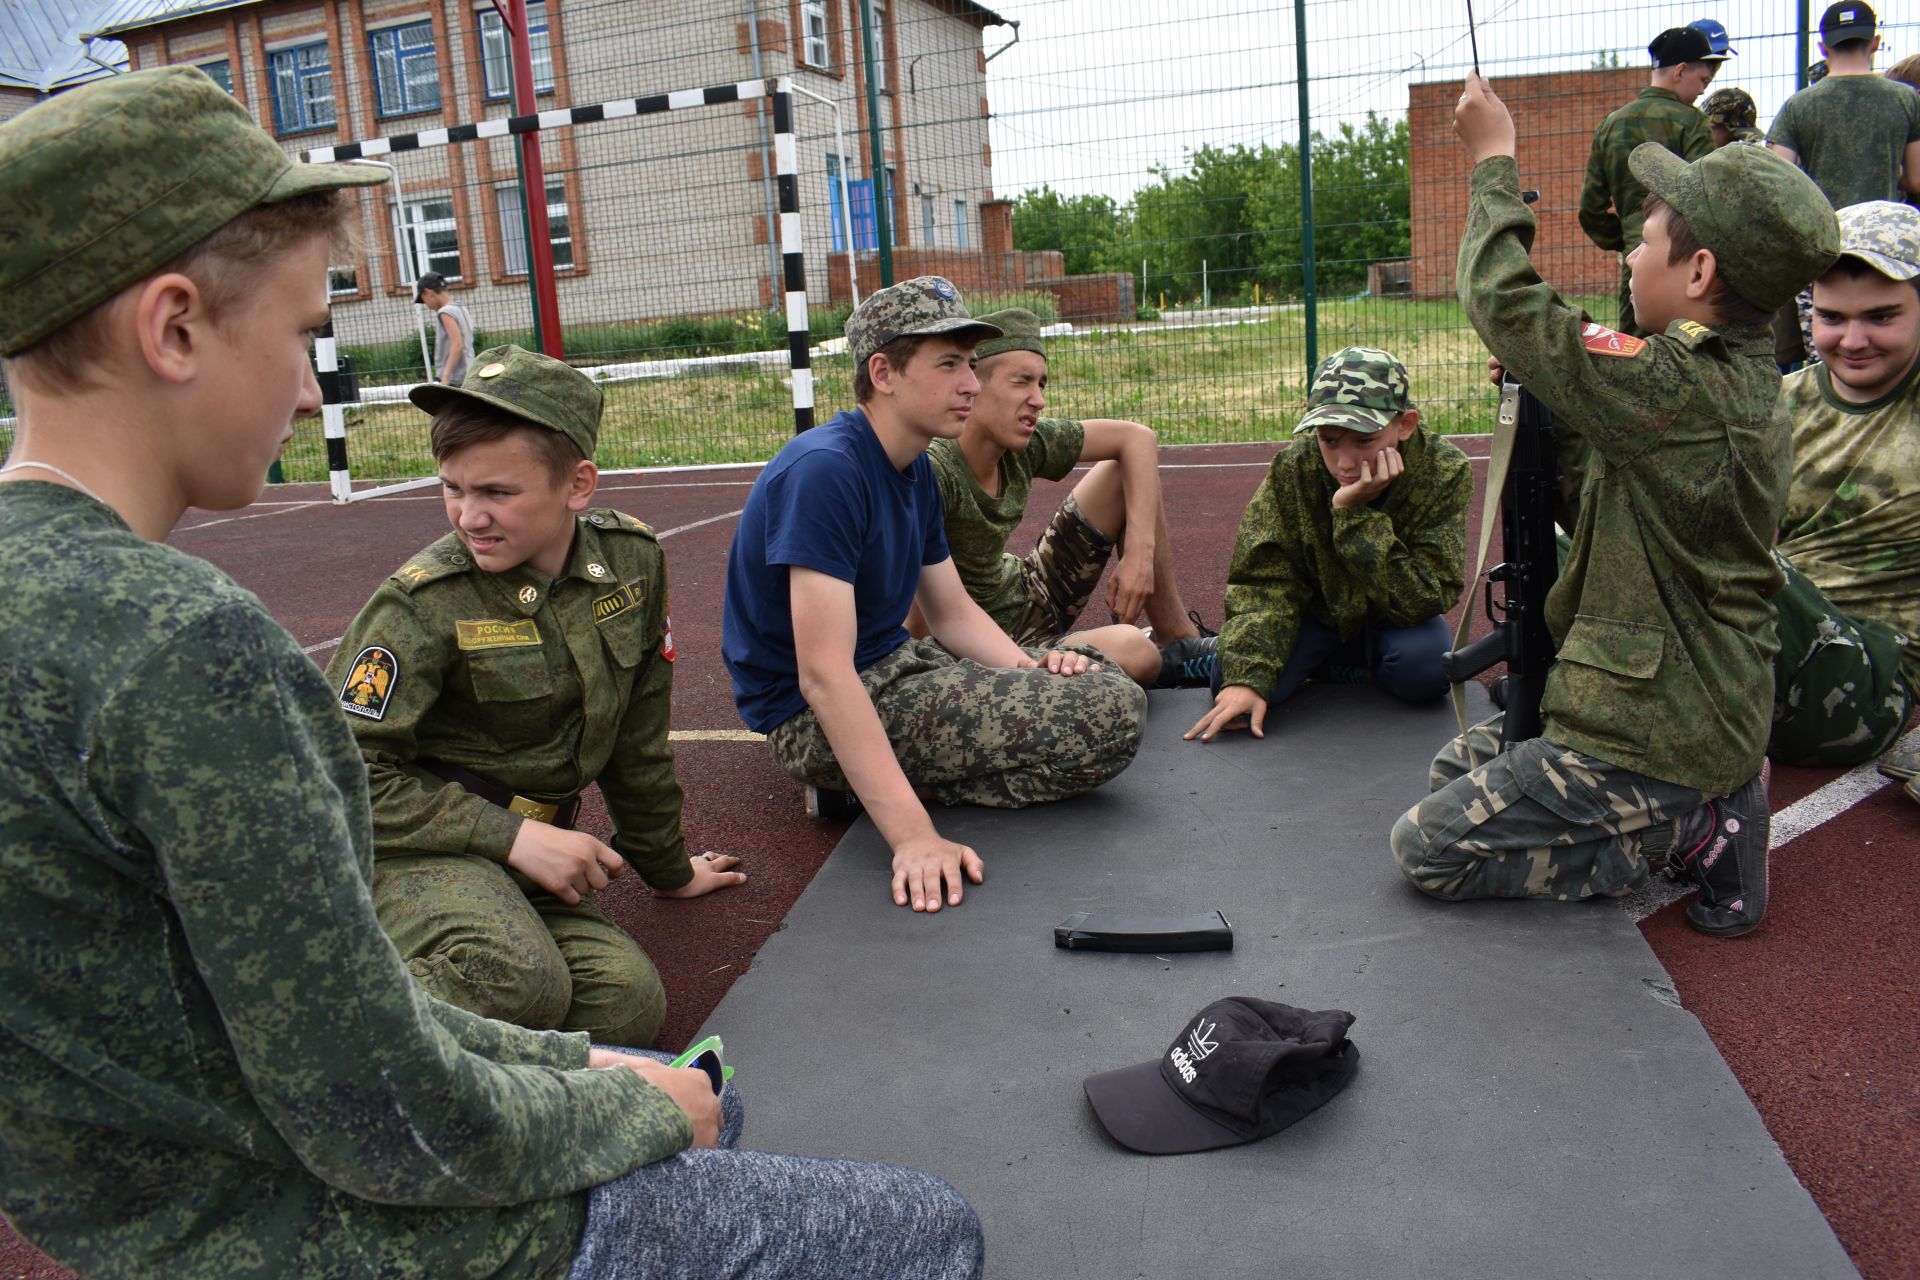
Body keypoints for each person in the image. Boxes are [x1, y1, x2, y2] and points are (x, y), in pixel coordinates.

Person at [0, 66, 983, 1280]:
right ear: (174, 326)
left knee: (624, 1023)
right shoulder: (186, 644)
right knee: (920, 1225)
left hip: (137, 1216)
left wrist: (578, 1060)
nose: (311, 392)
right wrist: (631, 1108)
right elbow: (377, 1115)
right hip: (299, 1228)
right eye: (305, 333)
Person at [1394, 72, 1840, 939]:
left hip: (1657, 727)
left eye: (1644, 239)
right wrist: (1556, 411)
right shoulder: (1720, 382)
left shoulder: (1676, 385)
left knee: (1431, 848)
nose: (1632, 257)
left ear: (1700, 269)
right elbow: (1608, 498)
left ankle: (1696, 824)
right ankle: (1703, 792)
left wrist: (1493, 161)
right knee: (1457, 772)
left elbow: (1509, 305)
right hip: (1666, 702)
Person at [324, 345, 746, 1049]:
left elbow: (637, 739)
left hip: (527, 856)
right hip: (411, 851)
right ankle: (306, 1024)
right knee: (521, 978)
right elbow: (338, 774)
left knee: (627, 1008)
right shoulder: (422, 602)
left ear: (578, 485)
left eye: (496, 493)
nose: (468, 516)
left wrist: (667, 870)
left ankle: (480, 1092)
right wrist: (513, 836)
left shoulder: (630, 564)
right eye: (453, 488)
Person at [721, 277, 1148, 914]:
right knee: (1112, 713)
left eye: (971, 365)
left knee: (1105, 679)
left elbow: (951, 612)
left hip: (895, 669)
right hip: (813, 718)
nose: (971, 384)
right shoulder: (826, 472)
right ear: (884, 372)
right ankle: (860, 785)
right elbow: (824, 675)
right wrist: (914, 837)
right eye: (948, 364)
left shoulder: (913, 467)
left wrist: (1031, 669)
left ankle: (873, 781)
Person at [915, 306, 1213, 689]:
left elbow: (1137, 438)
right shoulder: (935, 471)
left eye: (1042, 384)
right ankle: (1149, 656)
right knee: (1136, 653)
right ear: (974, 384)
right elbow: (919, 624)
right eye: (1022, 382)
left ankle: (1177, 639)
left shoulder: (1024, 442)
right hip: (990, 645)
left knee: (1123, 472)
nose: (1037, 399)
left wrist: (1140, 554)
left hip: (1028, 589)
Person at [1184, 347, 1470, 744]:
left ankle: (1337, 663)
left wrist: (1354, 518)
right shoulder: (1295, 468)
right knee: (1231, 685)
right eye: (1329, 440)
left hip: (1393, 616)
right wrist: (1247, 675)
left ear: (1405, 424)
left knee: (1426, 672)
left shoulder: (1443, 470)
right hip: (1313, 613)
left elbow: (1426, 594)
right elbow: (1263, 578)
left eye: (1365, 440)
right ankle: (1330, 664)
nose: (1345, 463)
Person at [1769, 201, 1918, 780]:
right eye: (1832, 318)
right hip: (1765, 639)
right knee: (1582, 530)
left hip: (1863, 683)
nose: (1852, 340)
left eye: (1882, 317)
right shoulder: (1780, 401)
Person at [1768, 3, 1920, 364]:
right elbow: (1915, 178)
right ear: (1875, 43)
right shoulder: (1906, 100)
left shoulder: (1798, 106)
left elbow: (1776, 184)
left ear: (1823, 48)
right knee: (1890, 356)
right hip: (1888, 251)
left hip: (1822, 250)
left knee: (1829, 359)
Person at [1579, 26, 1721, 336]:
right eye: (1703, 81)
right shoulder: (1692, 121)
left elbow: (1590, 209)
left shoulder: (1611, 125)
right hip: (1686, 260)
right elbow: (1704, 193)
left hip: (1635, 257)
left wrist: (1628, 236)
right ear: (1681, 71)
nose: (1702, 91)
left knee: (1633, 351)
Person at [416, 268, 475, 385]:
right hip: (469, 371)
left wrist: (446, 377)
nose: (427, 305)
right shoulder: (460, 307)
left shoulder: (446, 312)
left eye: (424, 300)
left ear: (427, 293)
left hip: (456, 378)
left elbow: (457, 344)